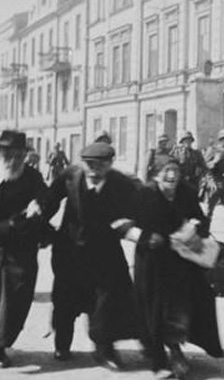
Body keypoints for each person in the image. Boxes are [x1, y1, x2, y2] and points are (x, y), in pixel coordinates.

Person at [40, 142, 140, 370]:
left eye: (101, 165)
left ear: (110, 164)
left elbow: (137, 208)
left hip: (105, 251)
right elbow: (48, 203)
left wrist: (130, 221)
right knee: (65, 299)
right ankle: (62, 344)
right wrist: (44, 230)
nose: (94, 171)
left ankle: (104, 349)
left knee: (107, 300)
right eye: (90, 165)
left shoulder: (121, 183)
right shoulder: (69, 177)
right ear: (82, 164)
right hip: (69, 251)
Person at [125, 157, 224, 377]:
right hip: (151, 259)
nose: (172, 176)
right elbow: (124, 224)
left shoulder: (186, 192)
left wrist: (193, 227)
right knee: (154, 306)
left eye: (175, 171)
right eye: (166, 172)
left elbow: (199, 217)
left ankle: (176, 350)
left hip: (181, 258)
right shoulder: (143, 194)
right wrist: (144, 237)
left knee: (183, 303)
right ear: (156, 174)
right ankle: (158, 358)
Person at [0, 130, 48, 368]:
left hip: (22, 250)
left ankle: (4, 341)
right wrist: (8, 224)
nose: (13, 159)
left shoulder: (32, 176)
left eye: (19, 154)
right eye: (8, 153)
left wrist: (39, 204)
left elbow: (46, 198)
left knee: (18, 299)